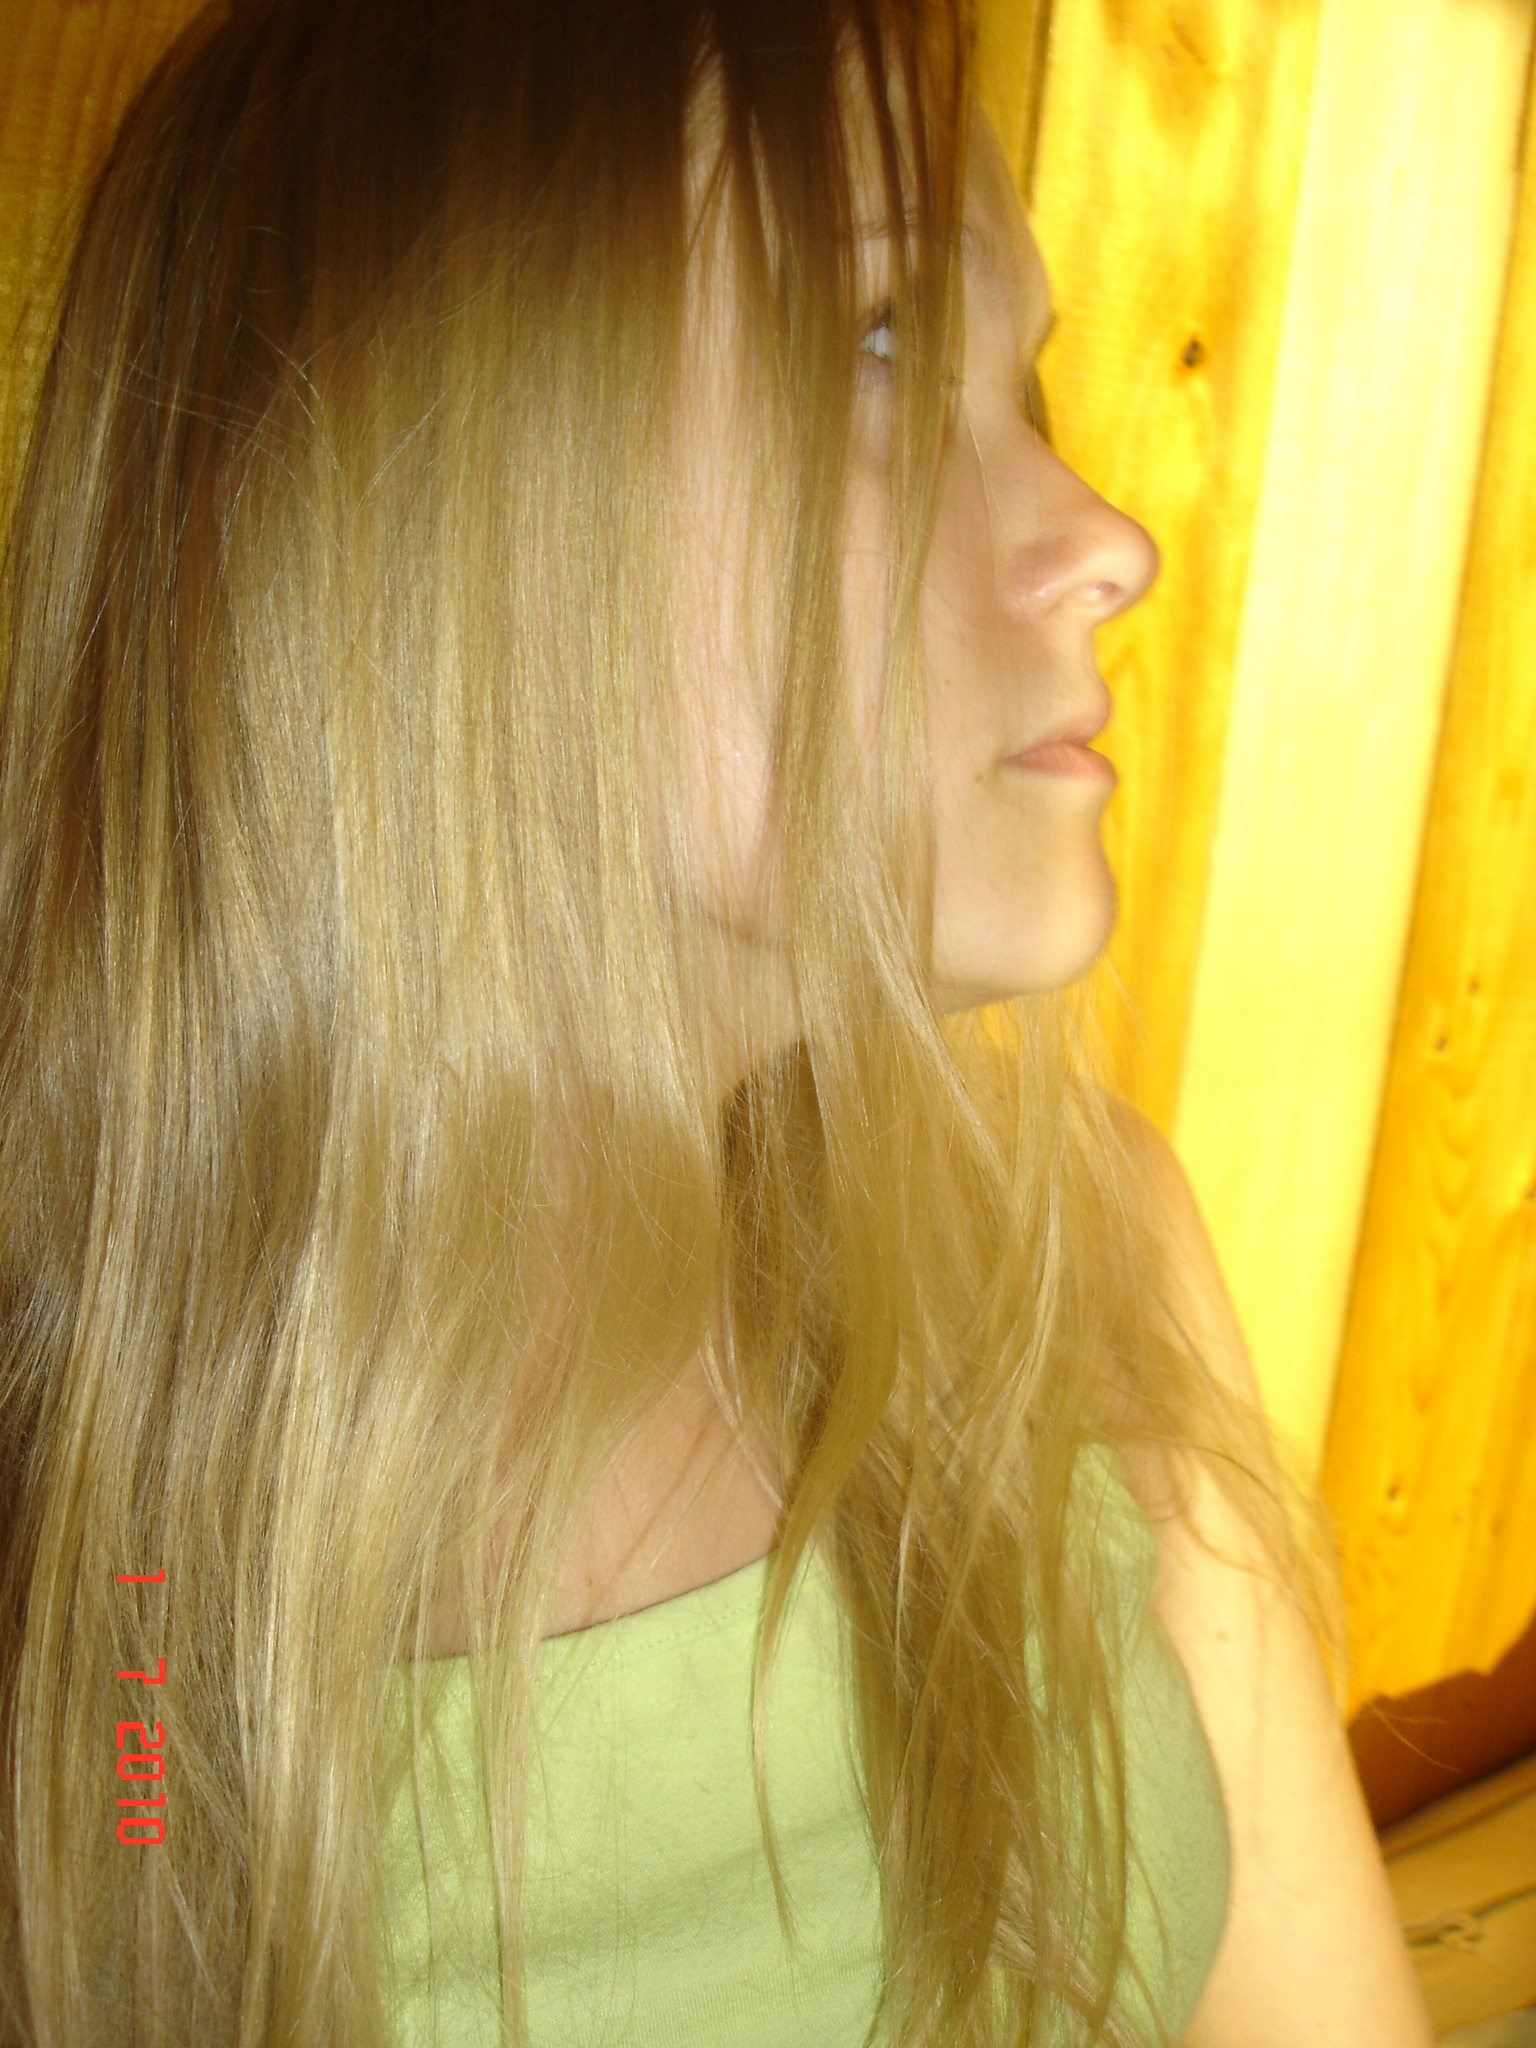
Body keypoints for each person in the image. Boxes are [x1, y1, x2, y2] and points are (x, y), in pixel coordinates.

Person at [0, 0, 1436, 2043]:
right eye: (878, 345)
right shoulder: (101, 1603)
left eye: (1021, 383)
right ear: (425, 493)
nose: (1109, 541)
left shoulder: (1082, 1266)